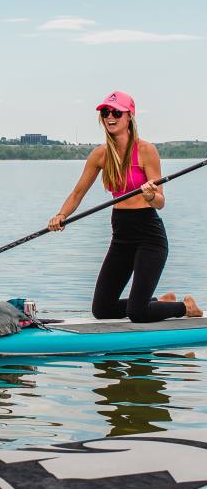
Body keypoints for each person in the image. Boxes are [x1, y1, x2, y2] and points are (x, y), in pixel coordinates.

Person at [48, 91, 202, 322]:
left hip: (149, 237)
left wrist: (151, 196)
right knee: (102, 310)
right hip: (121, 235)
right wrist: (61, 215)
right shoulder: (100, 155)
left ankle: (185, 308)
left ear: (129, 116)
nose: (110, 116)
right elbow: (78, 193)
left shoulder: (146, 150)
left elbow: (160, 202)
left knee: (137, 314)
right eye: (105, 112)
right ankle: (160, 303)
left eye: (116, 112)